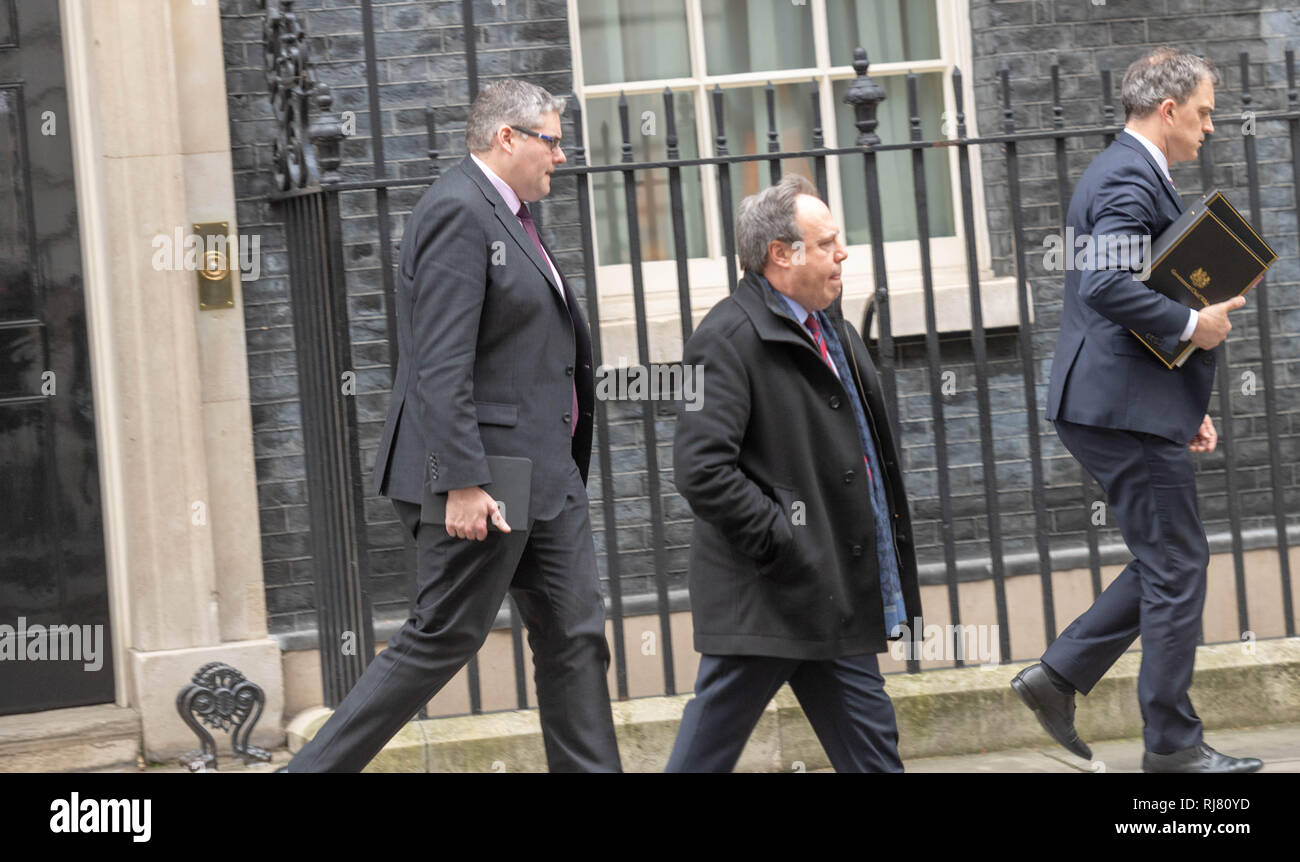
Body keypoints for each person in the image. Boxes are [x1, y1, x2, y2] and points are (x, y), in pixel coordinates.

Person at [284, 80, 621, 772]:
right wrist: (463, 482)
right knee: (439, 638)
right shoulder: (458, 213)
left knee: (576, 638)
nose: (562, 156)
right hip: (486, 482)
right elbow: (439, 364)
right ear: (508, 139)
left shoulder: (514, 216)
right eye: (552, 141)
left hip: (546, 477)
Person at [1018, 47, 1261, 773]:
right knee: (1179, 560)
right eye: (1204, 112)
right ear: (1167, 110)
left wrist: (1183, 403)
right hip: (1112, 407)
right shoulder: (1126, 175)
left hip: (1122, 402)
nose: (1210, 127)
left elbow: (1128, 290)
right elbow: (1105, 287)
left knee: (1167, 557)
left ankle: (1056, 678)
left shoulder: (1128, 171)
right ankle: (1172, 747)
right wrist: (1197, 328)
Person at [666, 174, 923, 773]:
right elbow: (702, 469)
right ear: (782, 255)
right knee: (704, 757)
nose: (844, 253)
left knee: (875, 754)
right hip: (768, 598)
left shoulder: (835, 331)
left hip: (831, 595)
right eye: (829, 241)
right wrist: (786, 543)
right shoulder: (727, 337)